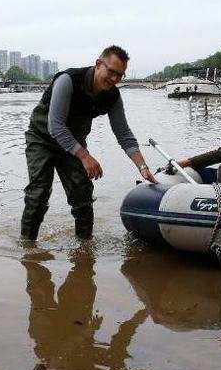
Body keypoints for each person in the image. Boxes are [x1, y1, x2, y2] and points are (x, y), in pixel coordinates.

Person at [21, 45, 157, 241]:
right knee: (39, 193)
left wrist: (142, 167)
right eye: (111, 72)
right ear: (98, 64)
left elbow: (124, 133)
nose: (114, 79)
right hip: (42, 139)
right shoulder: (67, 80)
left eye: (120, 75)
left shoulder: (112, 96)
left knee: (82, 194)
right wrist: (85, 156)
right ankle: (28, 246)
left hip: (73, 143)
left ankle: (85, 249)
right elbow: (56, 126)